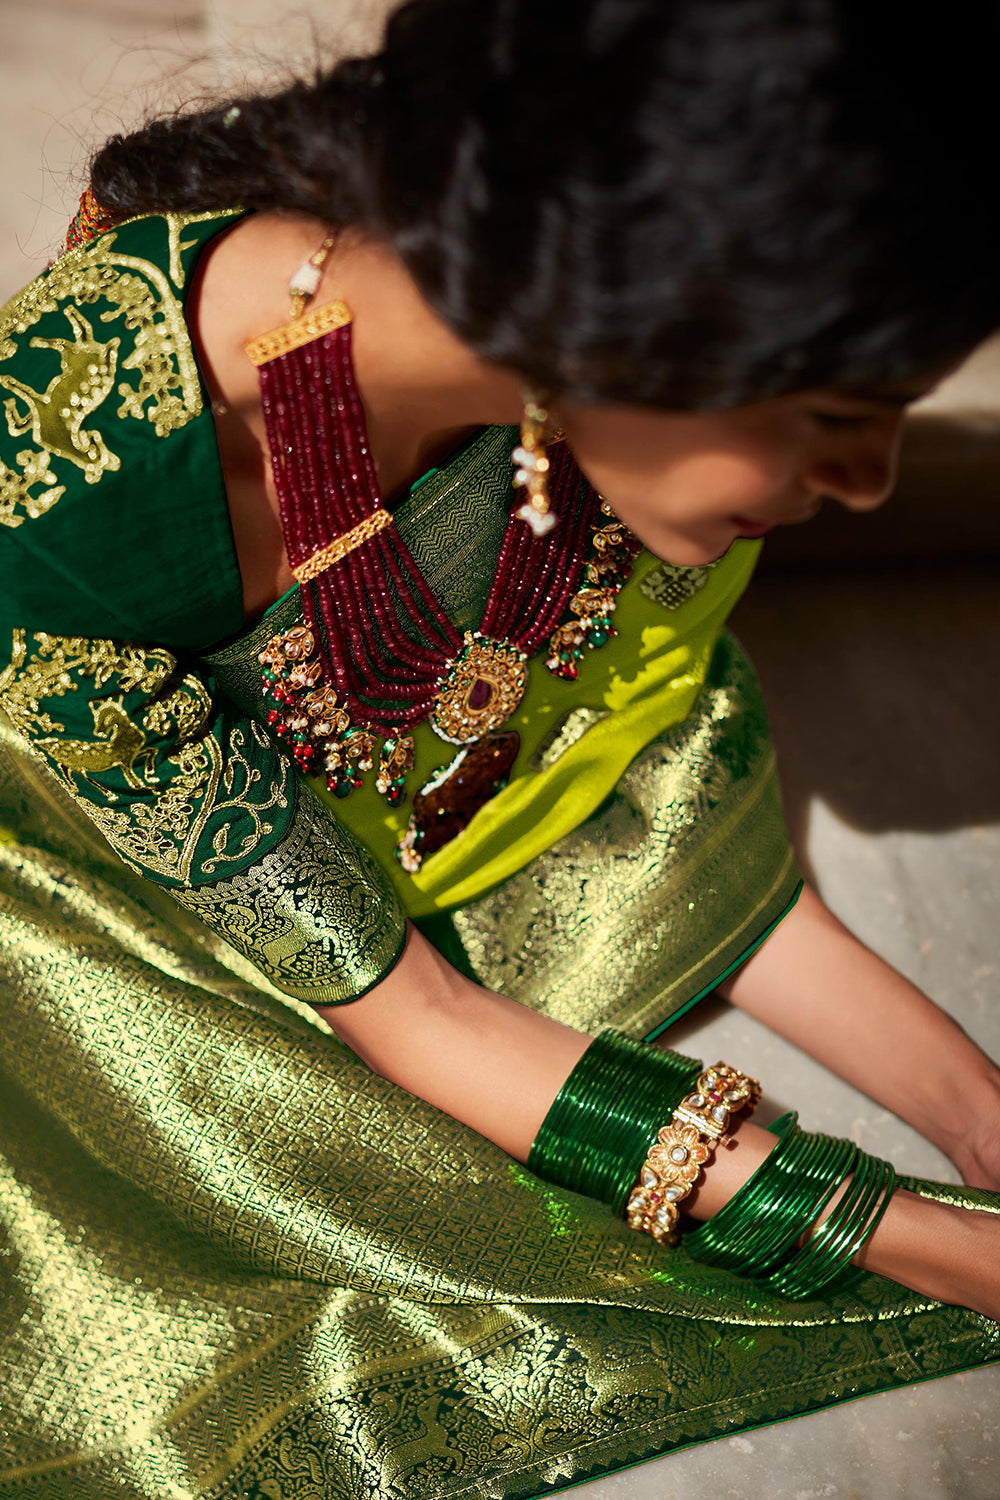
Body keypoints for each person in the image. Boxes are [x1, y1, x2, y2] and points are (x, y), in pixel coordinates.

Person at [1, 1, 998, 1495]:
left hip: (388, 810)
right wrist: (917, 1239)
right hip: (113, 878)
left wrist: (975, 1110)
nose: (868, 485)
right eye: (837, 415)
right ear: (630, 309)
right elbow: (423, 1025)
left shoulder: (543, 391)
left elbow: (611, 767)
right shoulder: (69, 508)